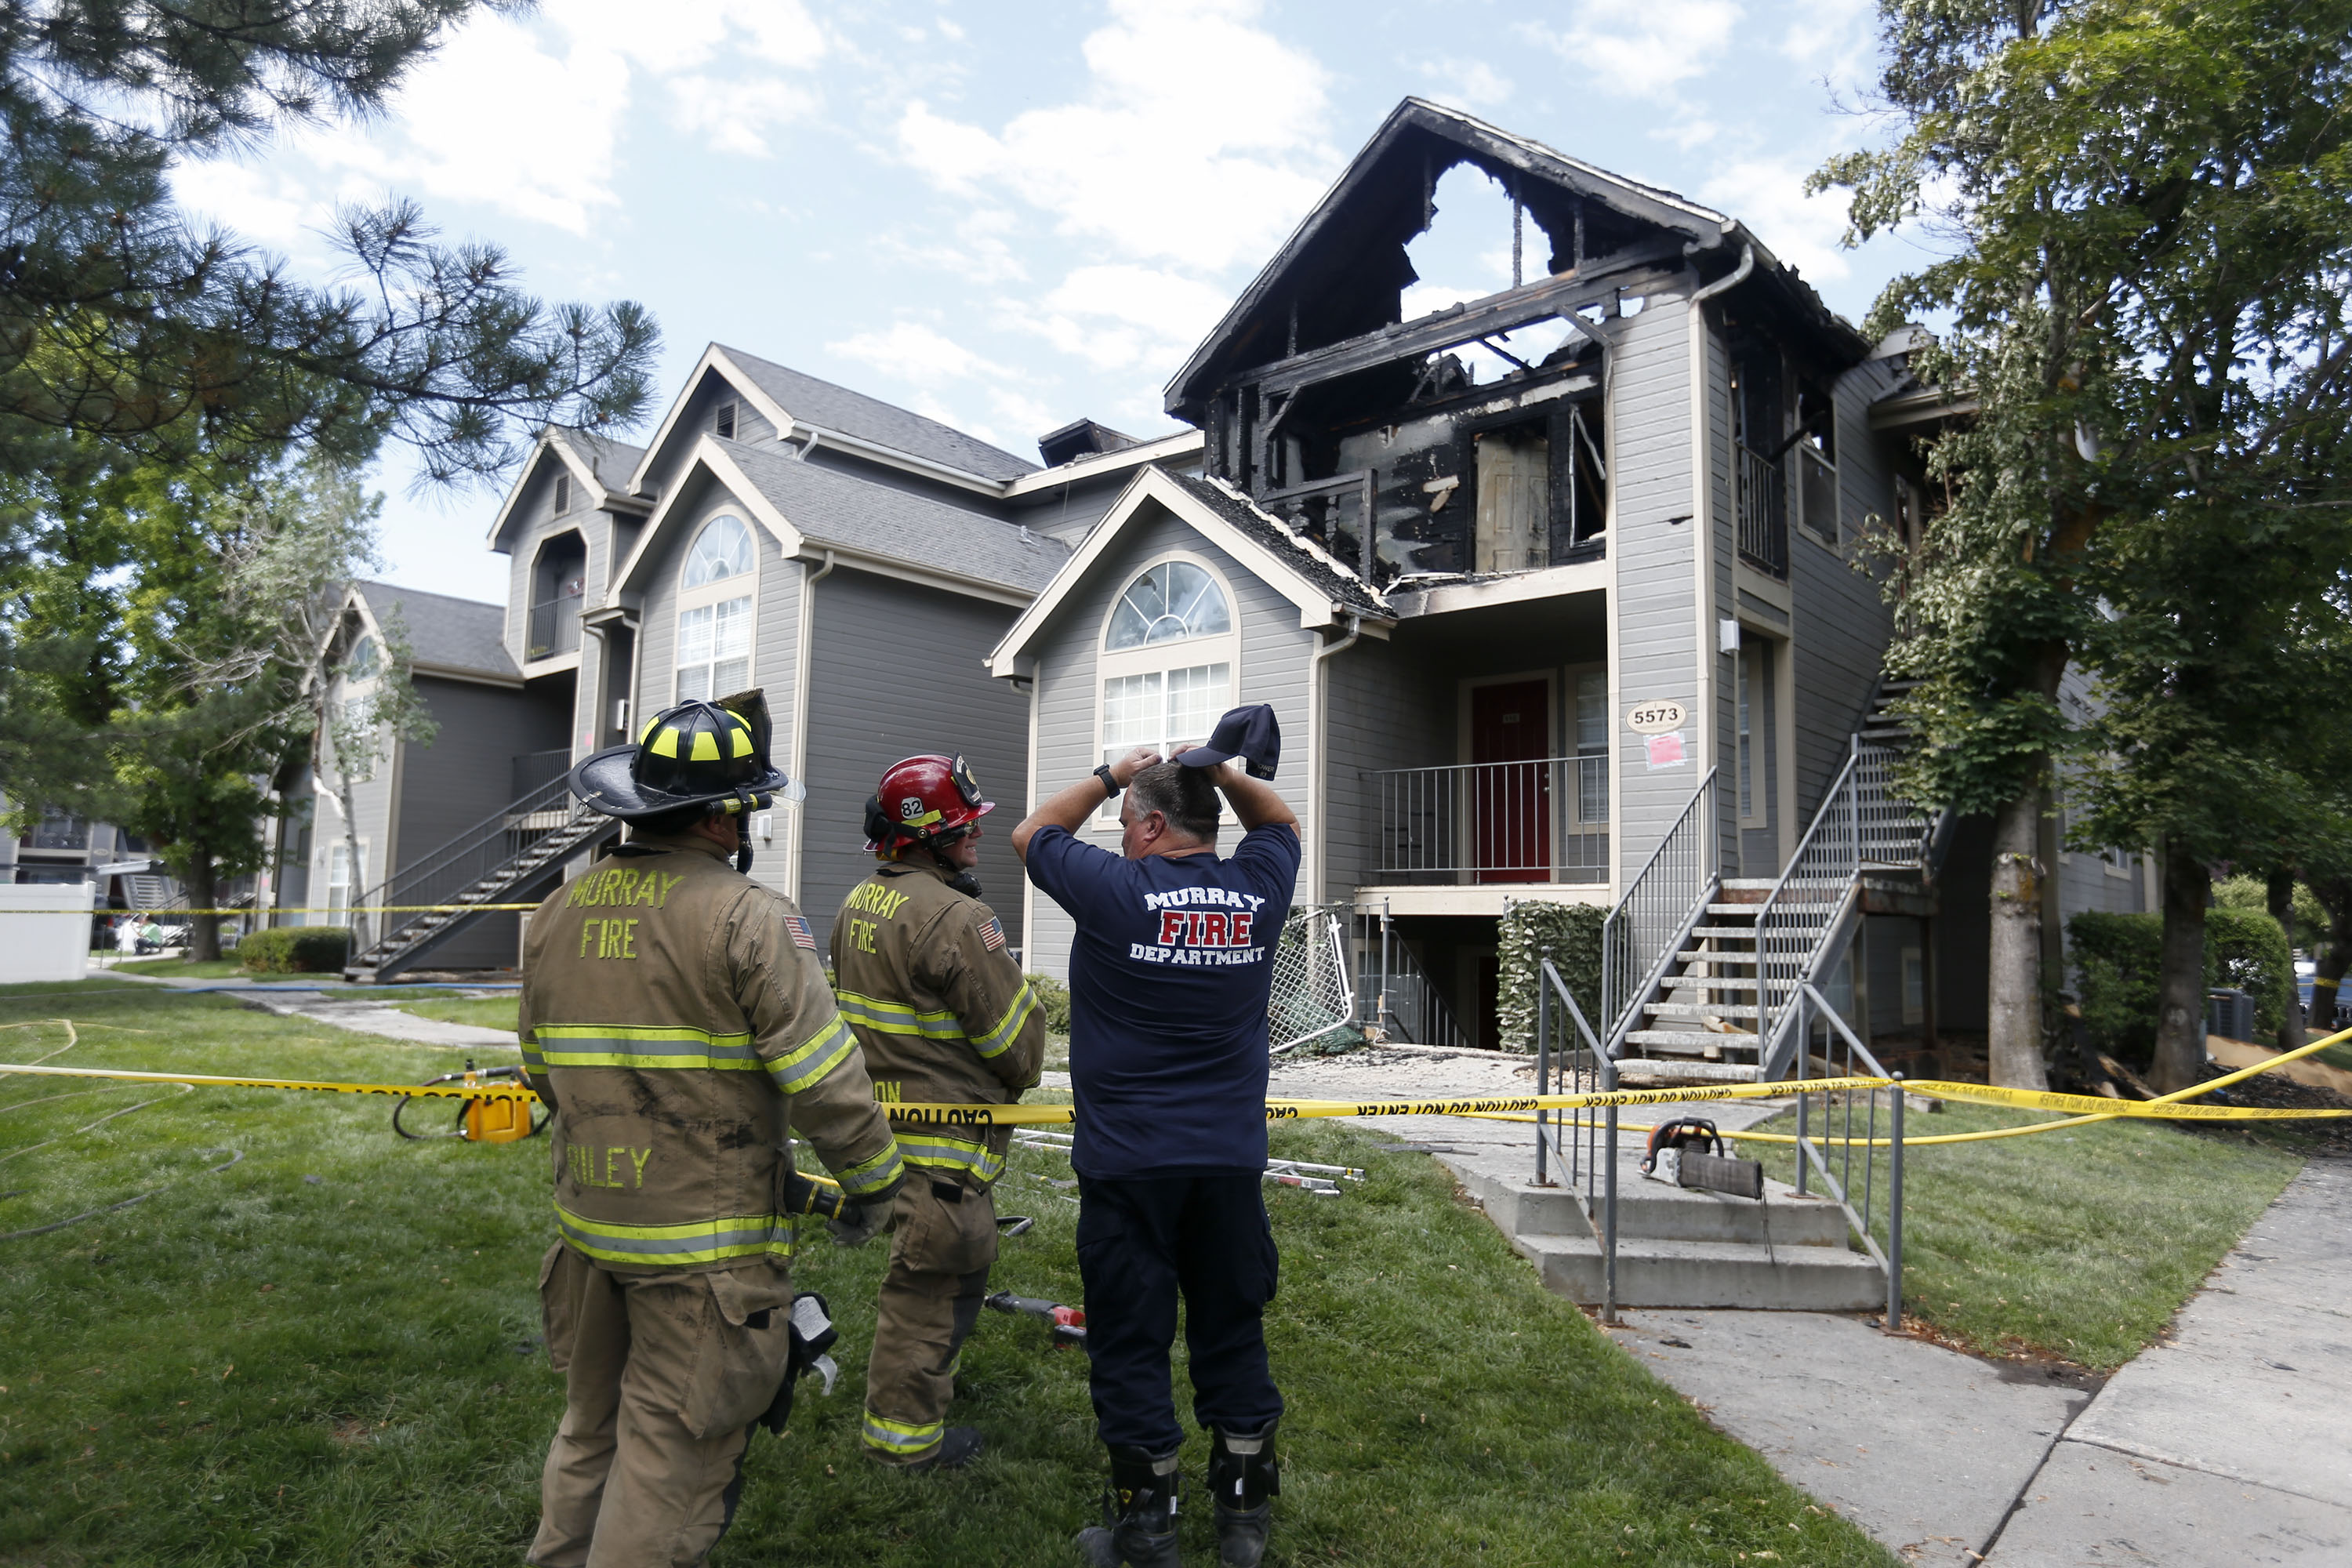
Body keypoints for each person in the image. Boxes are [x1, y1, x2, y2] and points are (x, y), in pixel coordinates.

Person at [517, 692, 906, 1568]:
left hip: (589, 1232)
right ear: (729, 818)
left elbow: (542, 1068)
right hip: (704, 1258)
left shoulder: (556, 913)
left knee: (590, 1429)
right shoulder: (751, 917)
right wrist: (876, 1182)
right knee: (672, 1455)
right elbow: (823, 1079)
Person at [1011, 704, 1298, 1568]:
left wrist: (1110, 773)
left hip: (1129, 1166)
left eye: (1130, 822)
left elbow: (1033, 832)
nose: (1124, 834)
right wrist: (1218, 771)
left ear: (1150, 824)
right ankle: (1242, 1519)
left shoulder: (1117, 890)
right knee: (1231, 1327)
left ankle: (1148, 1529)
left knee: (1132, 1338)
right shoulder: (1258, 887)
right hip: (1228, 1165)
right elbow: (1279, 819)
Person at [831, 753, 1047, 1471]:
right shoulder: (958, 918)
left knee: (924, 1281)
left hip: (886, 1138)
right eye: (961, 829)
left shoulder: (859, 902)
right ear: (922, 837)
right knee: (928, 1297)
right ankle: (905, 1447)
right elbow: (1017, 1051)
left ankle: (914, 1411)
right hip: (945, 1153)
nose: (974, 839)